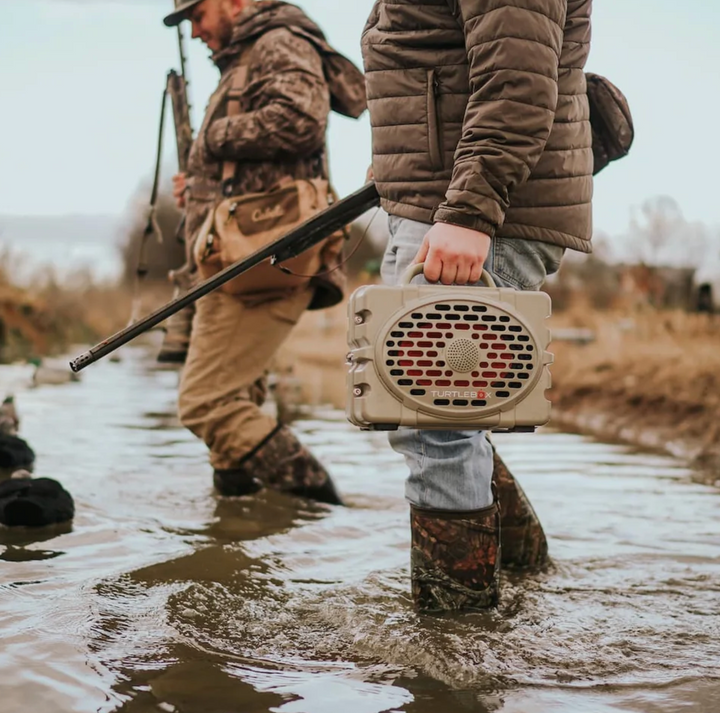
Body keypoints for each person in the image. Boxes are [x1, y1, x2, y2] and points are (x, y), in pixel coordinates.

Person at [362, 0, 593, 611]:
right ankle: (523, 576)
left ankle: (457, 639)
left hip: (474, 214)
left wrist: (469, 209)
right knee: (440, 412)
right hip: (442, 204)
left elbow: (516, 74)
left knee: (435, 424)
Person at [163, 0, 366, 502]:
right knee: (234, 407)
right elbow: (257, 159)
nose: (194, 32)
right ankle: (241, 539)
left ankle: (322, 510)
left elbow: (300, 119)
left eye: (198, 15)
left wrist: (209, 140)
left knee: (205, 405)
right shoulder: (247, 56)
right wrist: (204, 183)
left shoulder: (279, 41)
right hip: (233, 259)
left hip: (261, 258)